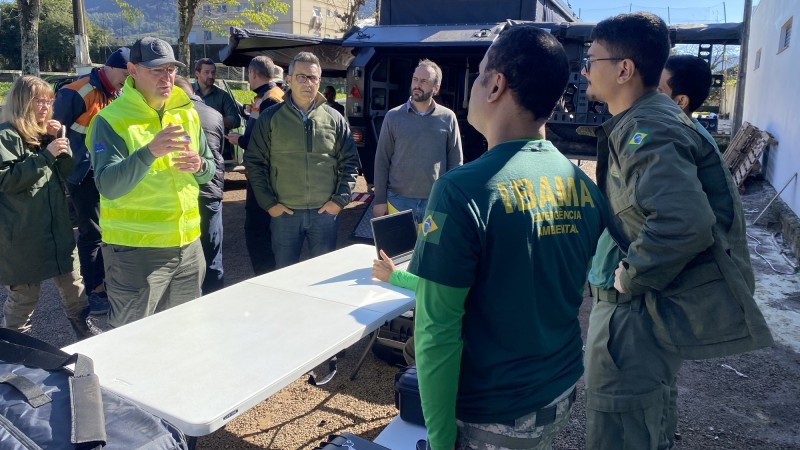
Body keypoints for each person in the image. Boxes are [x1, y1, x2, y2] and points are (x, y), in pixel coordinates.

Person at [408, 25, 607, 450]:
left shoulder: (462, 190)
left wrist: (441, 440)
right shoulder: (583, 185)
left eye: (480, 74)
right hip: (559, 388)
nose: (475, 85)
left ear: (496, 85)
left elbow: (436, 332)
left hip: (493, 413)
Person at [582, 13, 773, 450]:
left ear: (624, 69)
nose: (586, 70)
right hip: (636, 317)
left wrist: (632, 275)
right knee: (642, 420)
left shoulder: (648, 129)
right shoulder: (645, 121)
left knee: (622, 429)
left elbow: (683, 222)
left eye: (591, 60)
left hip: (633, 318)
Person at [87, 37, 216, 327]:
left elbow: (209, 171)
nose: (166, 77)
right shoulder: (110, 120)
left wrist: (199, 165)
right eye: (156, 70)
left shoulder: (187, 113)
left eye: (170, 69)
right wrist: (149, 152)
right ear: (132, 70)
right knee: (132, 339)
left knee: (185, 332)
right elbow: (108, 185)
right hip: (136, 255)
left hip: (189, 247)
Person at [245, 51, 360, 269]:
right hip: (284, 216)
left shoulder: (334, 118)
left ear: (320, 80)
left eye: (313, 78)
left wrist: (339, 201)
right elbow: (255, 162)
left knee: (323, 276)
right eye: (301, 77)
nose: (308, 83)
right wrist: (270, 205)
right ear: (289, 80)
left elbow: (351, 162)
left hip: (324, 216)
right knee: (285, 277)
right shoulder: (271, 117)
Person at [0, 76, 93, 339]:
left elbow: (65, 171)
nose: (45, 106)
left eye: (49, 100)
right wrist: (47, 154)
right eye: (39, 100)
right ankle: (15, 351)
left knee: (75, 288)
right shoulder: (5, 135)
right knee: (23, 299)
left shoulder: (43, 135)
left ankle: (85, 334)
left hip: (56, 231)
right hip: (23, 236)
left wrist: (59, 144)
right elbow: (6, 179)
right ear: (23, 102)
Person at [52, 47, 130, 315]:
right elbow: (52, 133)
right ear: (110, 67)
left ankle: (104, 283)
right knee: (92, 233)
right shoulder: (77, 91)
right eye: (126, 72)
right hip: (82, 174)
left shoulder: (116, 93)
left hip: (105, 171)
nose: (128, 78)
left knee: (108, 230)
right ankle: (94, 290)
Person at [372, 59, 462, 224]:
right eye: (415, 79)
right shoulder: (393, 116)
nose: (417, 85)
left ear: (436, 88)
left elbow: (455, 163)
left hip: (435, 204)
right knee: (398, 250)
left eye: (424, 81)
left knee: (432, 249)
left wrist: (450, 200)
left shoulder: (448, 117)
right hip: (398, 202)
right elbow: (382, 160)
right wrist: (379, 200)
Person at [225, 55, 285, 275]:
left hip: (264, 176)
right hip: (264, 173)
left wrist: (239, 140)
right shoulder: (268, 96)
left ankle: (265, 274)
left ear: (252, 73)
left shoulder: (271, 99)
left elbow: (266, 141)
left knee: (257, 229)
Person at [175, 75, 226, 294]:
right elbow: (220, 151)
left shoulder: (171, 117)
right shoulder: (214, 114)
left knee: (185, 254)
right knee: (212, 250)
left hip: (183, 193)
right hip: (211, 190)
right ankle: (214, 295)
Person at [659, 54, 717, 144]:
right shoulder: (672, 129)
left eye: (658, 91)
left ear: (681, 102)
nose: (648, 94)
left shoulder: (681, 143)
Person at [192, 58, 241, 131]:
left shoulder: (223, 96)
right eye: (206, 72)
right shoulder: (188, 91)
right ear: (197, 73)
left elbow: (236, 120)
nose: (211, 76)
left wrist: (215, 119)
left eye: (213, 72)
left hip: (216, 140)